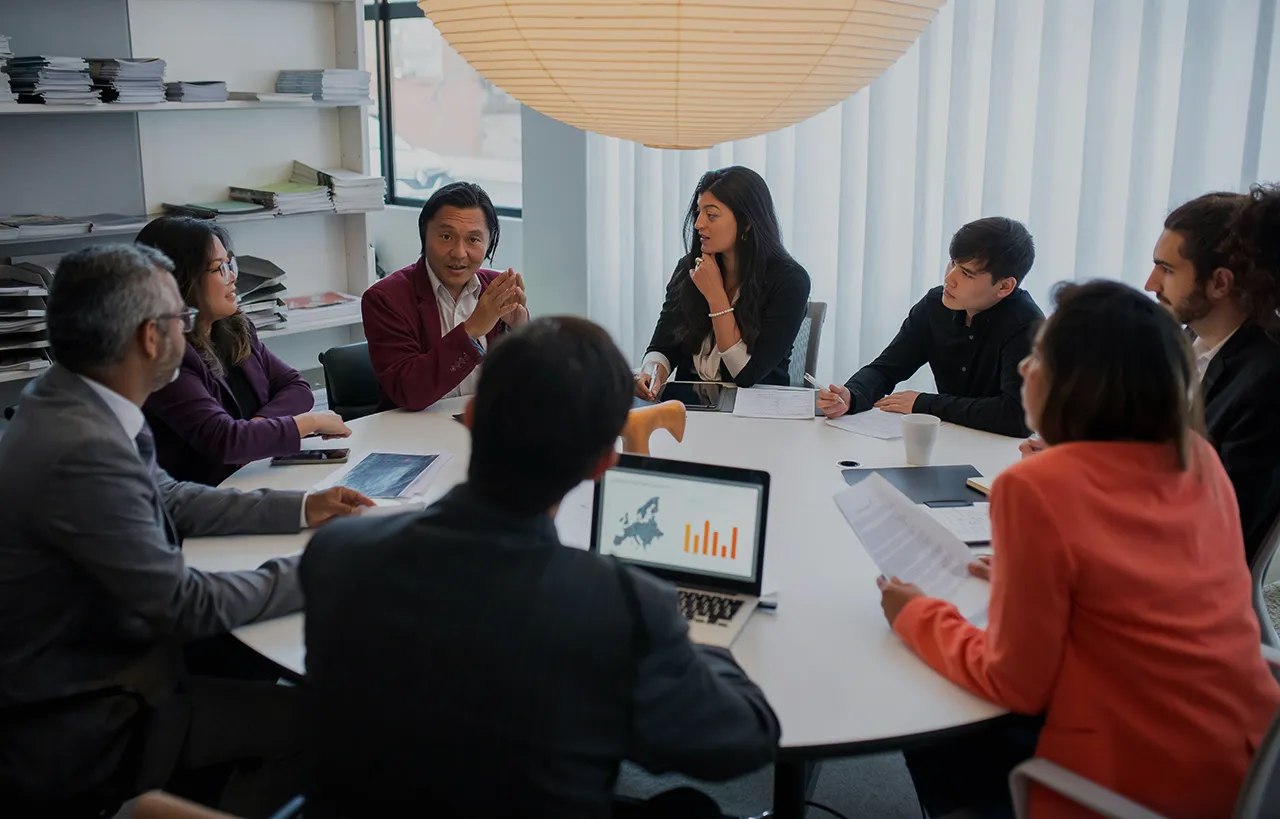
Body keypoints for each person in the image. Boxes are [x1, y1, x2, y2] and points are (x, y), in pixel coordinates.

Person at [301, 317, 779, 818]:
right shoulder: (621, 606)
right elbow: (746, 737)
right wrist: (681, 621)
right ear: (602, 465)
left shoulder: (338, 551)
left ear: (471, 415)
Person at [878, 280, 1280, 819]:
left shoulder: (1037, 487)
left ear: (1082, 382)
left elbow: (1013, 682)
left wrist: (917, 615)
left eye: (1040, 356)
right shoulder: (1199, 458)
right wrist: (1030, 576)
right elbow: (1141, 582)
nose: (1024, 368)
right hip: (1246, 758)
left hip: (1135, 778)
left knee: (928, 712)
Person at [0, 245, 373, 816]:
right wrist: (321, 569)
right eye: (180, 316)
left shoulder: (70, 398)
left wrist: (303, 506)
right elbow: (182, 604)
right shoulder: (83, 447)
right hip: (92, 713)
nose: (189, 326)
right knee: (337, 721)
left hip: (102, 661)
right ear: (152, 337)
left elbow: (167, 496)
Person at [1019, 189, 1280, 565]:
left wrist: (1076, 488)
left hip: (1173, 577)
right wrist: (1077, 455)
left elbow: (1214, 528)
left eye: (1167, 269)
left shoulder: (1267, 382)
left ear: (1220, 283)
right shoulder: (1185, 341)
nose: (1149, 284)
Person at [136, 216, 351, 485]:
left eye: (230, 264)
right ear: (179, 280)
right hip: (201, 499)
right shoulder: (165, 353)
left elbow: (297, 387)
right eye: (219, 268)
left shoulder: (236, 327)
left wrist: (257, 429)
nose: (233, 277)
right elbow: (224, 441)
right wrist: (308, 423)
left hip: (257, 476)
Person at [818, 217, 1041, 437]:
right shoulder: (936, 305)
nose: (949, 279)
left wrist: (924, 403)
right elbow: (886, 368)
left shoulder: (1027, 326)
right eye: (952, 263)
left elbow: (1016, 417)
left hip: (998, 454)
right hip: (949, 441)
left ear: (1004, 286)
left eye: (966, 273)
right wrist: (852, 395)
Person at [635, 166, 811, 398]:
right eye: (698, 213)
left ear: (747, 222)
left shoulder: (790, 281)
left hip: (758, 412)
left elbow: (746, 374)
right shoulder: (689, 268)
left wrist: (715, 295)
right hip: (693, 406)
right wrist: (652, 373)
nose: (698, 224)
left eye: (712, 214)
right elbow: (663, 346)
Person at [361, 181, 529, 411]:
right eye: (446, 236)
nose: (459, 253)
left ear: (488, 243)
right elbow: (408, 391)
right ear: (424, 235)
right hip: (412, 434)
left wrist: (520, 331)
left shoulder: (496, 288)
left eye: (473, 240)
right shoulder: (386, 298)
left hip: (485, 426)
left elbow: (530, 385)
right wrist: (472, 329)